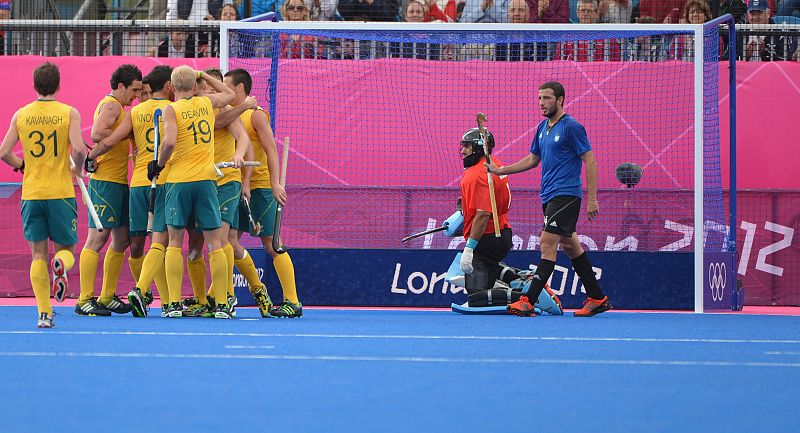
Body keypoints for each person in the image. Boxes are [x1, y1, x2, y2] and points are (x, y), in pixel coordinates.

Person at [487, 81, 611, 317]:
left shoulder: (572, 127)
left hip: (566, 195)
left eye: (547, 98)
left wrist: (592, 198)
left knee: (547, 242)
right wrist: (501, 170)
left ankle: (527, 301)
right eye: (540, 98)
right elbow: (533, 160)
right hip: (549, 195)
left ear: (560, 100)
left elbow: (591, 161)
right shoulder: (542, 128)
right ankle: (597, 297)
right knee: (570, 246)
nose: (542, 103)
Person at [0, 62, 87, 328]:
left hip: (32, 193)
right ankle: (60, 264)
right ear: (58, 86)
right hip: (60, 192)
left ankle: (44, 314)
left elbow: (4, 152)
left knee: (38, 254)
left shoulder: (21, 115)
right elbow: (80, 150)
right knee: (67, 249)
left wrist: (22, 165)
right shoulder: (69, 113)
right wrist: (78, 170)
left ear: (35, 86)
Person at [147, 66, 236, 319]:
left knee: (174, 242)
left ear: (172, 88)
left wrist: (159, 164)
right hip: (206, 180)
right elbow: (229, 94)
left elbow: (170, 142)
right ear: (196, 85)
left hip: (179, 181)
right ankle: (221, 304)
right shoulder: (206, 102)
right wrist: (205, 76)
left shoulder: (171, 109)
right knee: (215, 243)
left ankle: (173, 304)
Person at [180, 68, 261, 319]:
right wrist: (245, 106)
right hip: (200, 181)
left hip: (226, 181)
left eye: (214, 89)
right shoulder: (191, 109)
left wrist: (238, 155)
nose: (211, 92)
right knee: (194, 243)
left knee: (223, 238)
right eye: (206, 87)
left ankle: (228, 297)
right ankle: (203, 300)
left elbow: (244, 140)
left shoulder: (224, 110)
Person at [95, 65, 174, 318]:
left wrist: (90, 155)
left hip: (138, 183)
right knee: (163, 242)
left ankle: (136, 293)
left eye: (143, 91)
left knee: (134, 243)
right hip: (165, 180)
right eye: (138, 91)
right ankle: (163, 300)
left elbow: (105, 140)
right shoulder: (175, 110)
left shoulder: (136, 112)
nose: (139, 95)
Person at [224, 68, 302, 318]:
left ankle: (293, 301)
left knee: (272, 244)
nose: (223, 91)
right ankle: (234, 296)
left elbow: (270, 150)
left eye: (227, 86)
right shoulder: (228, 115)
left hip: (259, 188)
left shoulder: (256, 116)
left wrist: (276, 184)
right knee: (228, 240)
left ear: (239, 88)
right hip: (235, 187)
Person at [79, 64, 143, 317]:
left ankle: (106, 296)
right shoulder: (113, 105)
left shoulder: (118, 107)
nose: (136, 96)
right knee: (97, 238)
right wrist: (127, 135)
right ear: (120, 87)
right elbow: (97, 132)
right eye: (134, 90)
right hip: (105, 181)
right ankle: (84, 298)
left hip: (117, 181)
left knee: (121, 239)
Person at [457, 127, 514, 307]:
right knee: (488, 268)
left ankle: (526, 296)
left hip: (486, 239)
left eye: (467, 146)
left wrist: (469, 248)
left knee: (476, 298)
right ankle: (518, 277)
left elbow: (482, 215)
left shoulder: (476, 174)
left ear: (480, 148)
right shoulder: (494, 164)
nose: (463, 150)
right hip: (502, 234)